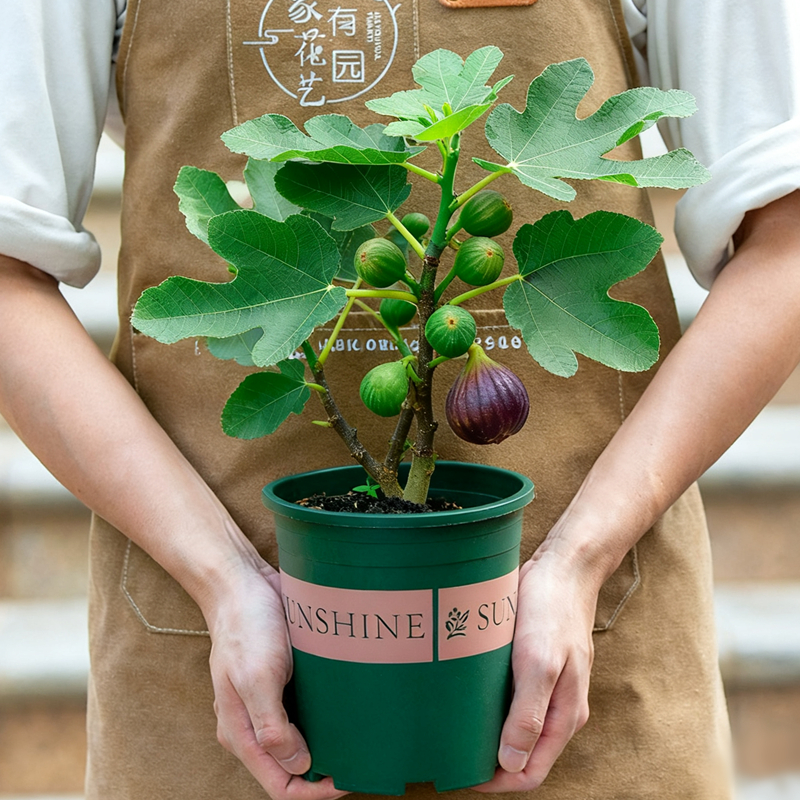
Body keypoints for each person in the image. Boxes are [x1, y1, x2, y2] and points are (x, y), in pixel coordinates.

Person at [1, 1, 798, 798]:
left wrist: (581, 559)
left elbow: (787, 237)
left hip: (587, 651)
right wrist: (223, 578)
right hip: (222, 663)